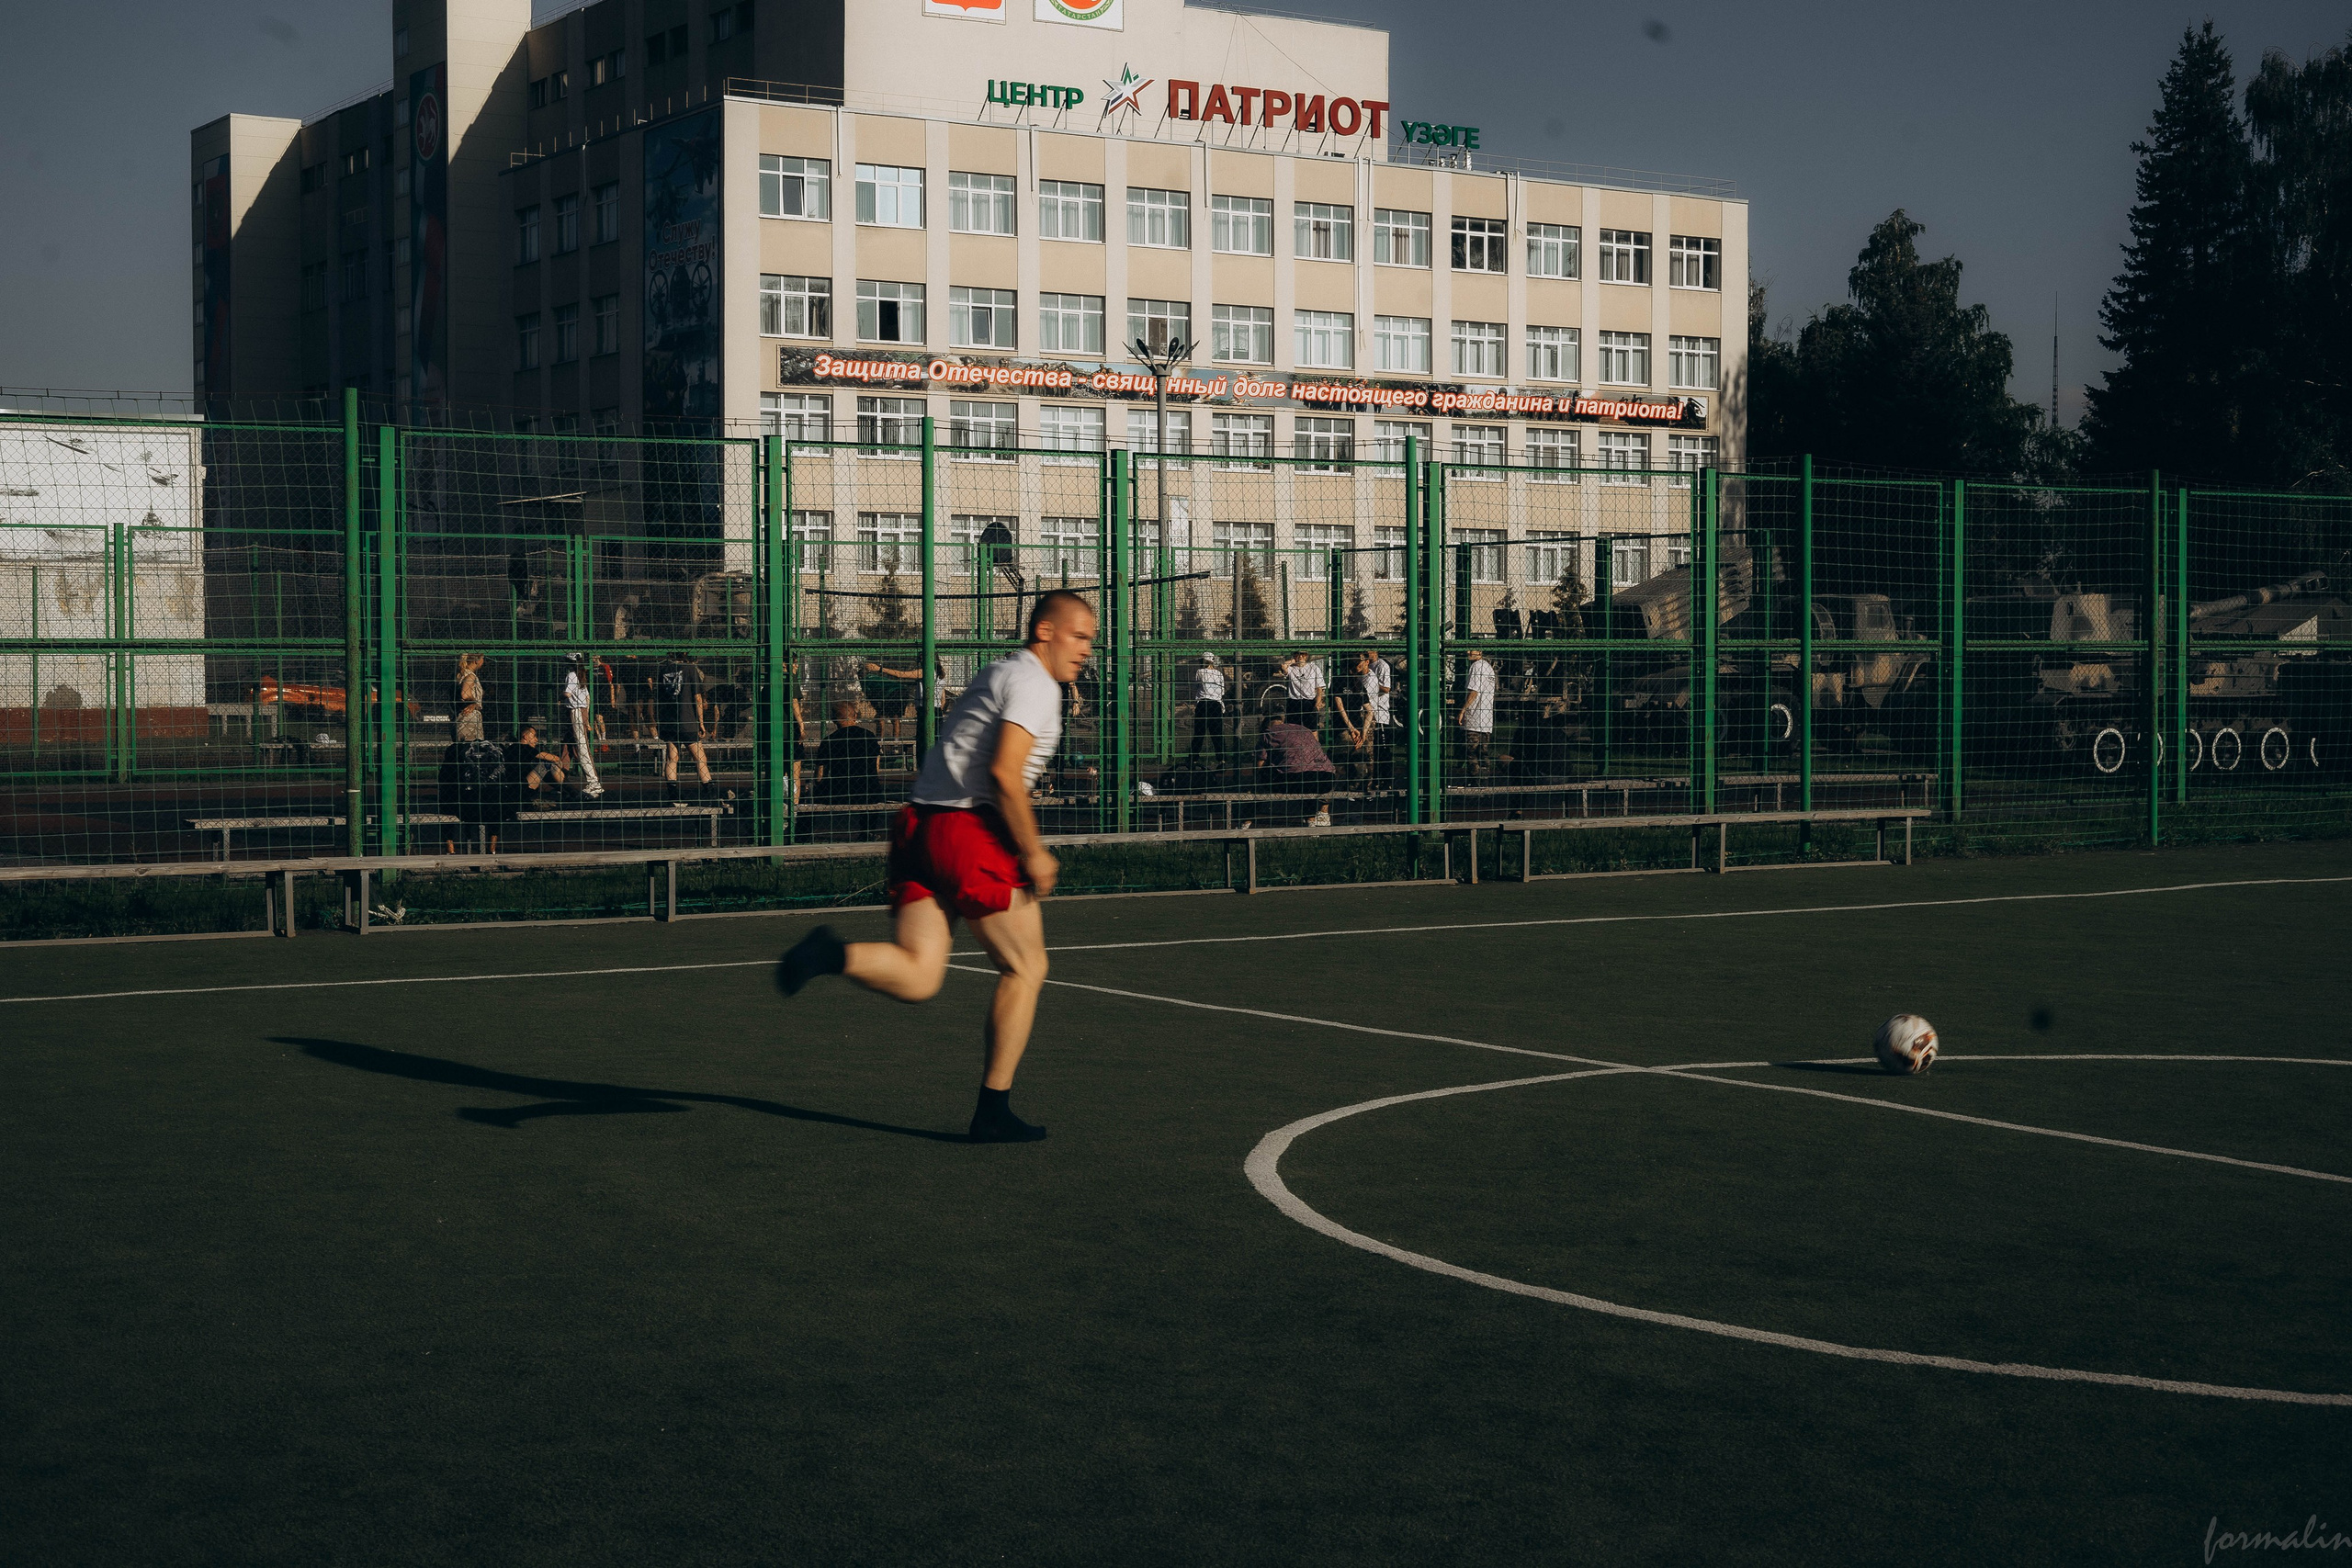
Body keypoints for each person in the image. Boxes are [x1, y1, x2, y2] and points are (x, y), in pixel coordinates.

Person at [775, 591, 1098, 1145]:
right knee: (1027, 968)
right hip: (968, 831)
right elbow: (1004, 773)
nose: (1086, 650)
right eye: (1080, 636)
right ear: (1045, 631)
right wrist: (1034, 850)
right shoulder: (1035, 684)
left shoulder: (1000, 671)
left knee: (920, 975)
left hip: (919, 827)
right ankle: (992, 1109)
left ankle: (832, 953)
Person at [1257, 710, 1338, 828]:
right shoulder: (1304, 730)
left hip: (1296, 778)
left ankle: (1245, 822)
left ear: (1266, 726)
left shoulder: (1268, 733)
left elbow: (1259, 764)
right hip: (1326, 778)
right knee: (1308, 781)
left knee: (1266, 777)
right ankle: (1312, 822)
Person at [651, 650, 714, 801]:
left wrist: (659, 720)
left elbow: (657, 697)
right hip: (687, 720)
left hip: (669, 720)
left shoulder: (663, 670)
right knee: (700, 758)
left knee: (672, 758)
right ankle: (710, 792)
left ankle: (673, 794)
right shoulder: (690, 670)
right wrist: (701, 723)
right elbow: (698, 698)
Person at [808, 700, 882, 805]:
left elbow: (819, 776)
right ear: (855, 717)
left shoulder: (829, 741)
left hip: (840, 791)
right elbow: (876, 767)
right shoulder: (869, 736)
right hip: (869, 790)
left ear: (834, 720)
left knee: (813, 791)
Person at [560, 654, 605, 799]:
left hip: (576, 712)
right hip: (581, 711)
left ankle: (594, 782)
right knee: (567, 747)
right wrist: (586, 718)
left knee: (582, 747)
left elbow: (567, 693)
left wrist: (558, 698)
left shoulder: (572, 675)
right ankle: (561, 782)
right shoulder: (581, 675)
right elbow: (587, 697)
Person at [1187, 652, 1230, 775]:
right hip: (1216, 704)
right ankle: (1222, 760)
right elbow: (1222, 691)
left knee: (1199, 733)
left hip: (1204, 703)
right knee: (1217, 734)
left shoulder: (1200, 672)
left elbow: (1196, 685)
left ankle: (1193, 760)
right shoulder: (1219, 674)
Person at [511, 722, 570, 809]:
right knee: (546, 765)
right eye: (534, 736)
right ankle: (571, 791)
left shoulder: (513, 747)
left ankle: (566, 792)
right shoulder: (525, 748)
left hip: (515, 787)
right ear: (525, 737)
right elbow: (554, 758)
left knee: (543, 768)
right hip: (521, 788)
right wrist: (559, 764)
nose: (536, 740)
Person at [1460, 647, 1498, 779]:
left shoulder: (1476, 666)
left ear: (1480, 652)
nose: (1468, 652)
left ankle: (1475, 780)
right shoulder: (1488, 667)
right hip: (1486, 719)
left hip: (1475, 717)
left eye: (1472, 650)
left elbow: (1474, 691)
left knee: (1471, 752)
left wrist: (1463, 709)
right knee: (1483, 752)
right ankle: (1485, 779)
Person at [1281, 649, 1328, 728]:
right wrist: (1293, 661)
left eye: (1303, 654)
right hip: (1294, 701)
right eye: (1298, 654)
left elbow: (1320, 688)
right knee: (1293, 729)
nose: (1301, 656)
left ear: (1307, 656)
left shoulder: (1314, 668)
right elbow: (1283, 666)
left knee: (1312, 729)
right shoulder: (1291, 668)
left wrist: (1317, 704)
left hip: (1309, 701)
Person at [453, 653, 486, 742]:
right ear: (477, 660)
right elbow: (465, 694)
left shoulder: (460, 675)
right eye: (483, 658)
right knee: (473, 750)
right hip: (470, 720)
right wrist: (474, 702)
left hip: (460, 718)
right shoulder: (471, 676)